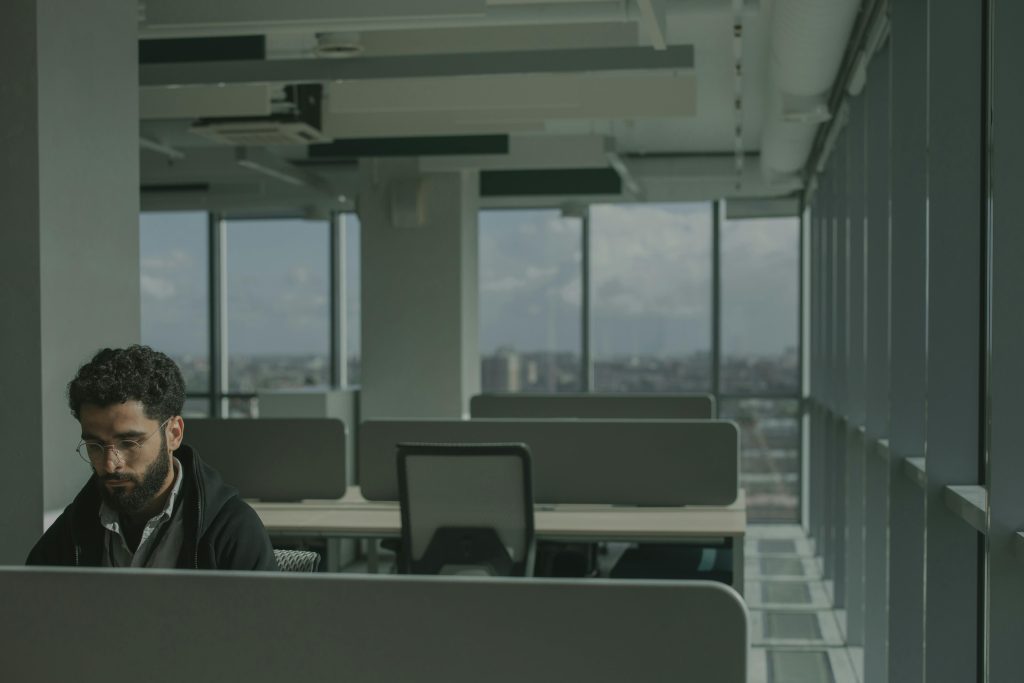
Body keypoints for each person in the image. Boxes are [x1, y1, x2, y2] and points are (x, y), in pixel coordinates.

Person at [27, 344, 277, 570]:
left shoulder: (230, 530)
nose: (110, 464)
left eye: (129, 442)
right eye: (95, 445)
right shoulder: (73, 529)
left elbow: (264, 620)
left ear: (174, 434)